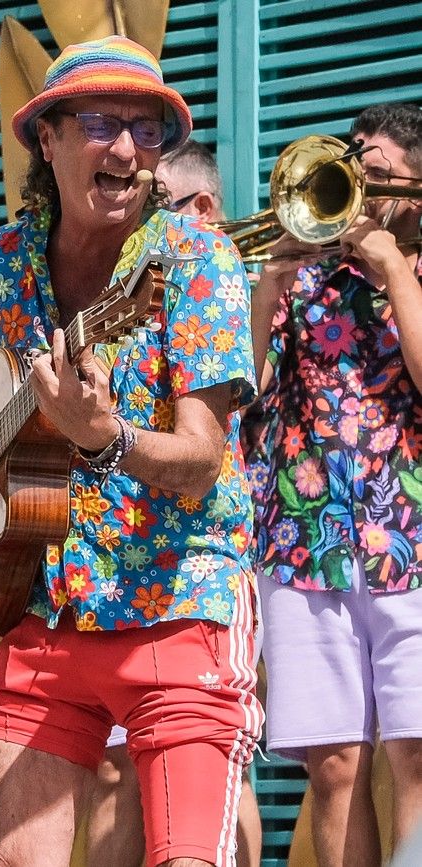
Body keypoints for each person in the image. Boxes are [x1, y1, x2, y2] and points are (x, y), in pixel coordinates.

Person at [0, 36, 263, 867]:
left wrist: (106, 437)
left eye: (147, 129)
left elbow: (203, 459)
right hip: (44, 607)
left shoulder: (197, 260)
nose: (126, 149)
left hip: (181, 597)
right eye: (100, 123)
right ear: (47, 140)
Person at [248, 102, 422, 867]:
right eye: (352, 165)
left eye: (377, 171)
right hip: (304, 541)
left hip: (412, 540)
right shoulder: (302, 279)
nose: (360, 183)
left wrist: (393, 267)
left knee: (416, 752)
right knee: (335, 765)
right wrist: (267, 288)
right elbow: (235, 404)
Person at [86, 138, 264, 867]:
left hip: (200, 563)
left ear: (201, 208)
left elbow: (238, 402)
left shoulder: (212, 269)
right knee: (117, 772)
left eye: (157, 200)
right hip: (109, 572)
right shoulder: (113, 278)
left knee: (211, 764)